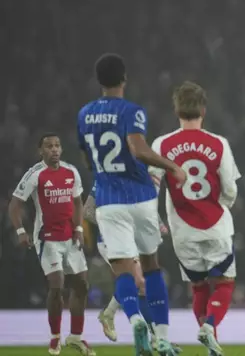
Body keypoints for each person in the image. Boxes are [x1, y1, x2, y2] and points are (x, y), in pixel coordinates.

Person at [77, 53, 187, 356]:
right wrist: (170, 165)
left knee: (124, 273)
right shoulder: (132, 111)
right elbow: (138, 150)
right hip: (140, 198)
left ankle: (136, 319)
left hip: (109, 202)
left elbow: (88, 158)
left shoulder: (84, 114)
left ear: (99, 81)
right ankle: (162, 338)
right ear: (124, 78)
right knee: (151, 269)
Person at [148, 81, 240, 356]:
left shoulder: (162, 144)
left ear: (176, 109)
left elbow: (152, 186)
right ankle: (210, 327)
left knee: (198, 287)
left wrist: (156, 219)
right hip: (216, 226)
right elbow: (231, 189)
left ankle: (209, 339)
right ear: (203, 109)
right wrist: (220, 206)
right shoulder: (218, 143)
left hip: (182, 231)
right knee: (224, 283)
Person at [8, 133, 94, 356]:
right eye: (49, 146)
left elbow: (77, 202)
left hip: (70, 237)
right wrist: (20, 231)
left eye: (57, 146)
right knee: (57, 285)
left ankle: (75, 337)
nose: (54, 149)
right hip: (47, 238)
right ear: (41, 151)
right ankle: (55, 337)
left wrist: (78, 229)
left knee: (82, 286)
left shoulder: (71, 171)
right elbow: (15, 205)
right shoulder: (35, 174)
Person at [83, 185, 182, 355]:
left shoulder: (139, 176)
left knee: (141, 287)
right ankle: (156, 337)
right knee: (140, 281)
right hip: (110, 239)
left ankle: (112, 315)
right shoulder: (104, 179)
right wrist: (109, 222)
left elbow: (145, 205)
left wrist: (158, 222)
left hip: (133, 239)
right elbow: (87, 210)